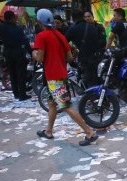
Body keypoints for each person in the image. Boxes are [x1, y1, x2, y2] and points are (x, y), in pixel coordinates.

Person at [32, 9, 98, 146]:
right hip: (62, 74)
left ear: (39, 22)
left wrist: (34, 53)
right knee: (52, 103)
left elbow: (39, 58)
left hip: (53, 77)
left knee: (66, 106)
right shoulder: (60, 35)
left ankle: (89, 133)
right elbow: (69, 57)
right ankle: (48, 131)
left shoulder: (41, 36)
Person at [0, 11, 31, 101]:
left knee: (12, 73)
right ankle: (22, 95)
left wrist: (0, 42)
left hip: (8, 53)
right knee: (21, 74)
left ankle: (16, 94)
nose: (16, 19)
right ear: (12, 18)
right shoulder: (18, 29)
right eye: (15, 17)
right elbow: (25, 42)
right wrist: (31, 52)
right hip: (19, 53)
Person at [66, 9, 105, 87]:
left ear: (73, 18)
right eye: (85, 17)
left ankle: (92, 96)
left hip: (86, 58)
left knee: (89, 79)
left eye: (89, 16)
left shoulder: (74, 28)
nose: (87, 18)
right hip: (96, 57)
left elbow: (64, 41)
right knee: (96, 78)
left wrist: (72, 48)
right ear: (82, 17)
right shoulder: (92, 27)